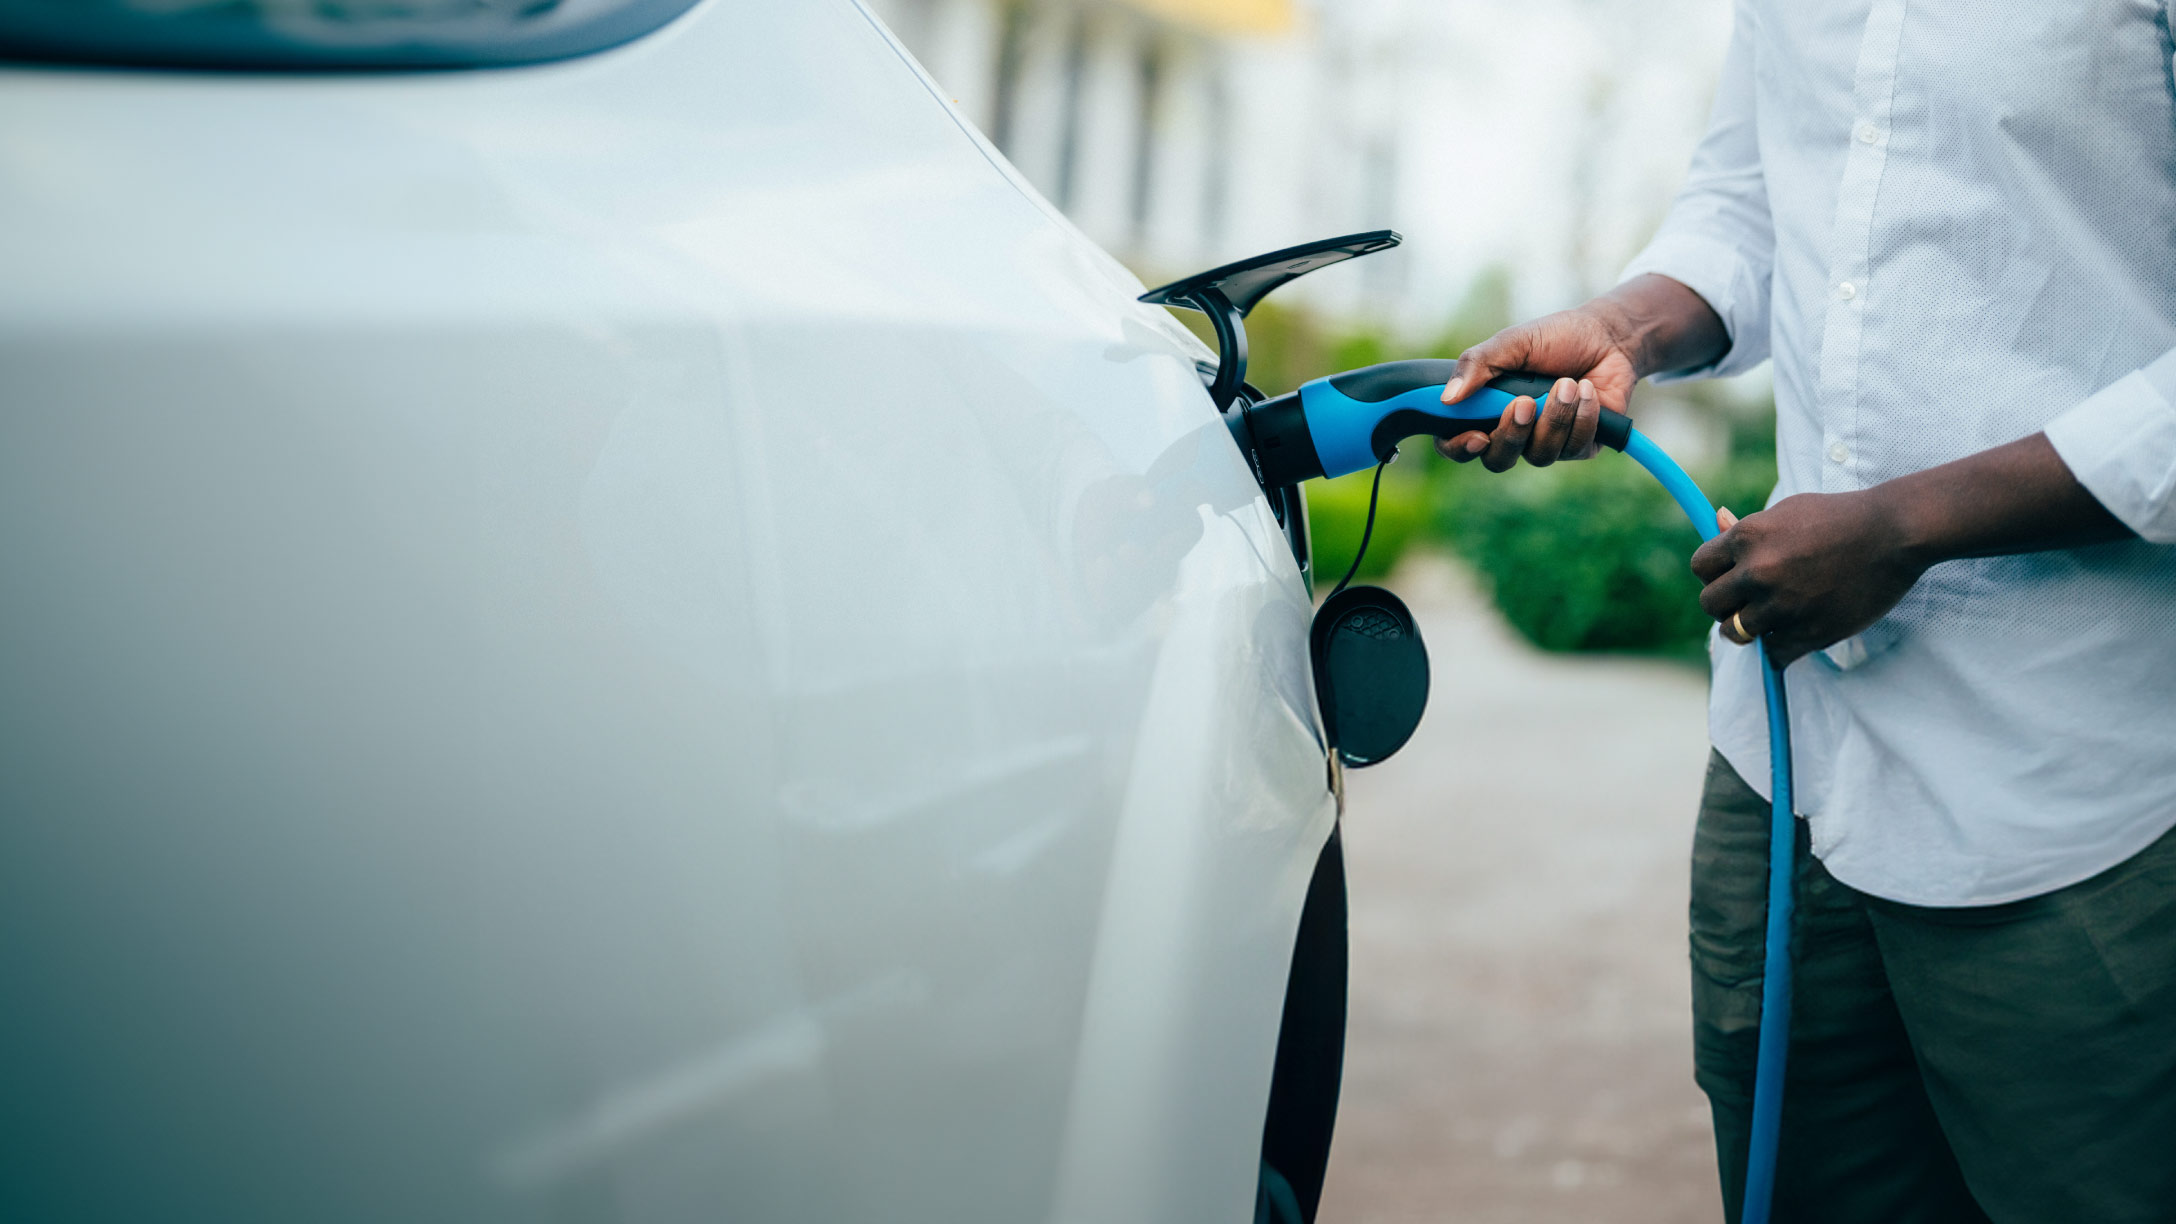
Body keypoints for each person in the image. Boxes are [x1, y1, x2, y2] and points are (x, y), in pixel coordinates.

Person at [1431, 3, 2176, 1220]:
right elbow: (1750, 199)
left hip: (2083, 788)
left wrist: (1904, 526)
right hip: (1790, 765)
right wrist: (1622, 329)